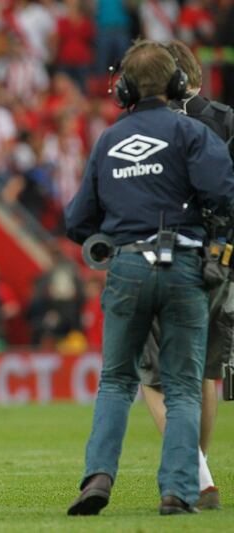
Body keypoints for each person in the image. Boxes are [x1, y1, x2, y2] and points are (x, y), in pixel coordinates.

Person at [63, 40, 234, 516]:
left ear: (123, 89)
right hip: (184, 266)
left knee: (117, 381)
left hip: (126, 266)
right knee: (182, 384)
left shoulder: (108, 140)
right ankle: (179, 491)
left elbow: (77, 218)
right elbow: (223, 192)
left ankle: (97, 477)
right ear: (179, 84)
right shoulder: (191, 134)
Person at [137, 39, 234, 511]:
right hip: (224, 259)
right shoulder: (226, 118)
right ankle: (199, 473)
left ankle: (196, 472)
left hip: (166, 255)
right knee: (205, 371)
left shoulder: (152, 125)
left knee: (152, 373)